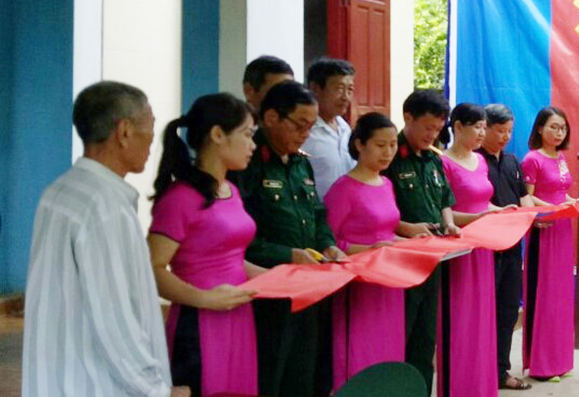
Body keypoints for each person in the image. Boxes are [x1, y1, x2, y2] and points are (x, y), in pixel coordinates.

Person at [22, 81, 189, 397]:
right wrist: (157, 389)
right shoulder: (105, 208)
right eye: (149, 132)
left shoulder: (59, 192)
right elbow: (116, 317)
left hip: (58, 378)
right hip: (97, 384)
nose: (151, 144)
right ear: (124, 132)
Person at [230, 80, 345, 396]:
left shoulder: (300, 162)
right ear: (270, 118)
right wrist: (287, 254)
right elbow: (240, 236)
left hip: (308, 285)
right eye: (299, 125)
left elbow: (318, 213)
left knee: (306, 372)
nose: (305, 133)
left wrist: (328, 244)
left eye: (310, 126)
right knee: (272, 373)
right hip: (268, 288)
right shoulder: (246, 165)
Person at [147, 93, 263, 396]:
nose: (253, 145)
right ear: (217, 135)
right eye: (248, 135)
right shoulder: (180, 198)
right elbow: (153, 268)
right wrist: (205, 299)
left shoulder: (230, 191)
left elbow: (232, 259)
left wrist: (280, 276)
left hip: (237, 314)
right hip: (198, 322)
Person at [382, 89, 460, 395]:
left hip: (433, 259)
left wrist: (450, 224)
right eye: (427, 127)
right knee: (401, 334)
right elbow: (374, 211)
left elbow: (444, 199)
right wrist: (406, 229)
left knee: (426, 339)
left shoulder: (432, 158)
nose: (432, 135)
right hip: (400, 261)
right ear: (408, 118)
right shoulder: (389, 156)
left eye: (438, 129)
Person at [324, 112, 404, 389]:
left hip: (389, 282)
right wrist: (367, 248)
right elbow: (327, 242)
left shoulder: (388, 184)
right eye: (381, 145)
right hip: (357, 285)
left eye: (393, 145)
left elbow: (388, 230)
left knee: (388, 349)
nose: (388, 152)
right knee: (359, 354)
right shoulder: (344, 189)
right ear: (359, 145)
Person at [438, 103, 502, 397]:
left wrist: (502, 211)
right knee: (460, 320)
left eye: (483, 126)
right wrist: (478, 218)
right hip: (459, 248)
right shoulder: (443, 163)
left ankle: (481, 386)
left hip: (483, 248)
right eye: (475, 126)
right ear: (457, 127)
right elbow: (446, 211)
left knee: (482, 320)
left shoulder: (481, 161)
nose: (481, 132)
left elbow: (483, 203)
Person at [522, 107, 579, 381]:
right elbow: (528, 197)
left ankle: (560, 361)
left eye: (562, 128)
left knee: (560, 295)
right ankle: (541, 365)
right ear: (539, 129)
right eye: (553, 127)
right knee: (544, 294)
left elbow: (560, 190)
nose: (559, 133)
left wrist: (571, 202)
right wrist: (555, 207)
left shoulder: (560, 157)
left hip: (562, 229)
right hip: (543, 229)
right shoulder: (532, 159)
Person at [478, 104, 534, 391]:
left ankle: (501, 371)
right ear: (483, 128)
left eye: (509, 131)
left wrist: (535, 217)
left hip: (513, 249)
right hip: (483, 250)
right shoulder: (475, 163)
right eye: (500, 130)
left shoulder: (513, 161)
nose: (505, 136)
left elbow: (526, 201)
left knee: (509, 311)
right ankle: (478, 370)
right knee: (480, 313)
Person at [302, 58, 357, 199]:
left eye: (350, 90)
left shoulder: (345, 129)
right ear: (315, 89)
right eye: (339, 89)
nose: (345, 97)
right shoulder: (304, 133)